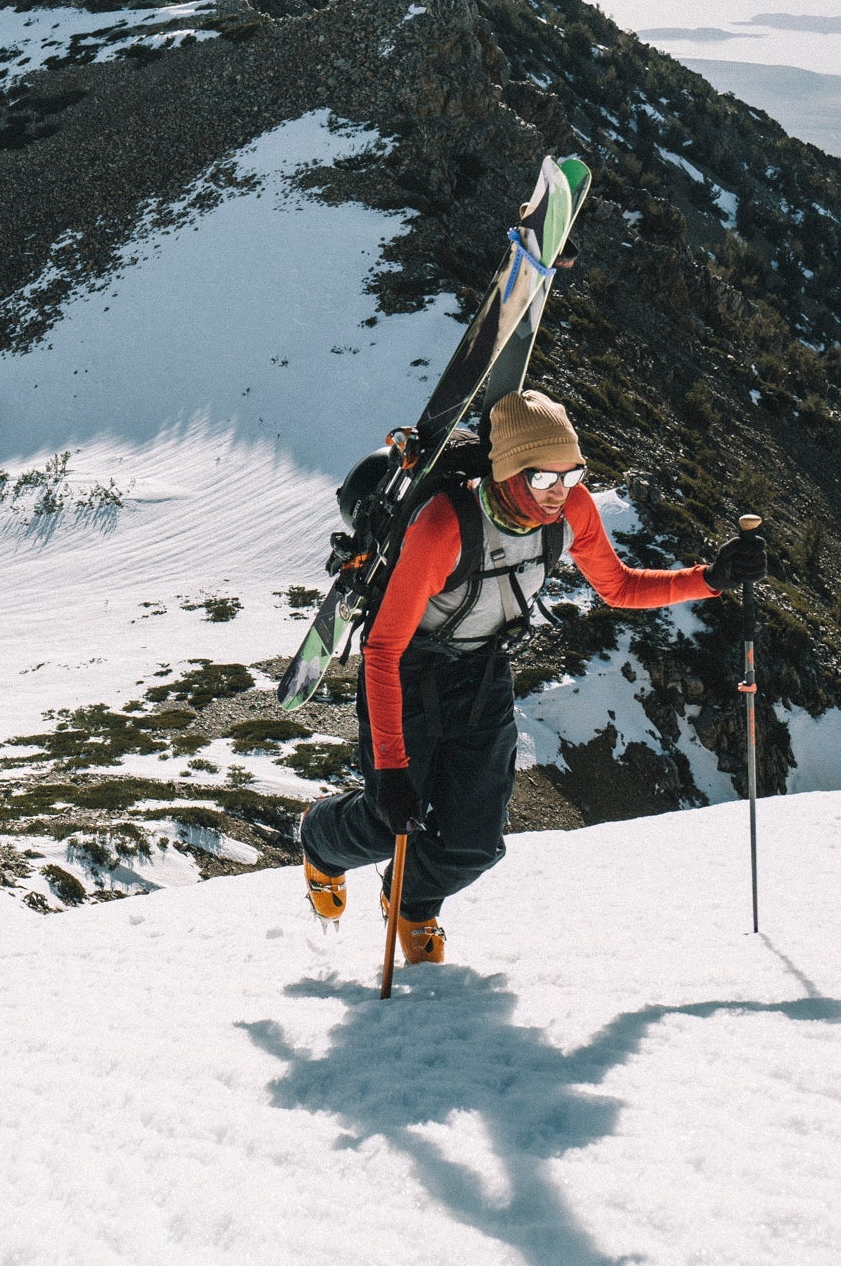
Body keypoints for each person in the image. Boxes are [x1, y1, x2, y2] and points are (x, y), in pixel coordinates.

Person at [298, 389, 765, 962]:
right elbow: (382, 650)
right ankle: (321, 838)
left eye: (571, 476)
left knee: (475, 843)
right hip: (411, 670)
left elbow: (617, 587)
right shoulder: (444, 527)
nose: (558, 493)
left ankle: (412, 905)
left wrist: (711, 578)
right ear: (508, 470)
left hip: (484, 669)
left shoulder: (572, 510)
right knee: (385, 820)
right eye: (544, 477)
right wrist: (392, 770)